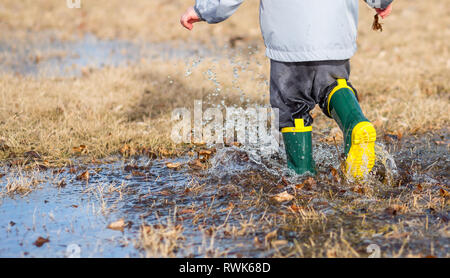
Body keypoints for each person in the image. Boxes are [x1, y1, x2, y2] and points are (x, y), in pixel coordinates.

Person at [180, 0, 393, 179]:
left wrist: (204, 10)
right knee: (334, 84)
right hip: (333, 33)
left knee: (291, 108)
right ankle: (355, 124)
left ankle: (302, 175)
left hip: (289, 39)